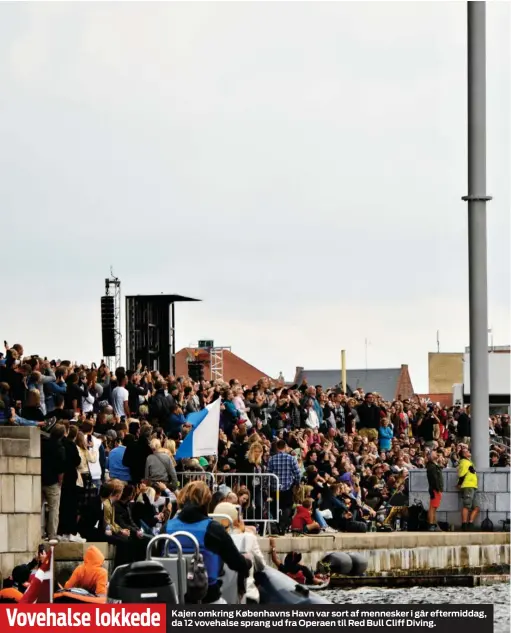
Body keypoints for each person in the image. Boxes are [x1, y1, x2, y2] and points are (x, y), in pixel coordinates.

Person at [165, 481, 251, 604]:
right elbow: (236, 563)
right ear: (207, 501)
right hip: (208, 598)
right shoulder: (213, 529)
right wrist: (247, 562)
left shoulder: (167, 528)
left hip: (174, 599)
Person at [213, 501, 265, 603]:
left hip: (217, 597)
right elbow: (261, 565)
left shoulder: (209, 539)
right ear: (237, 520)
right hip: (246, 595)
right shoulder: (248, 538)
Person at [267, 439, 301, 534]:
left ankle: (277, 526)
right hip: (287, 488)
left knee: (275, 506)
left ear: (277, 448)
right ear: (285, 447)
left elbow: (268, 474)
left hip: (275, 488)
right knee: (287, 506)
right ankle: (282, 525)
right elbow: (298, 474)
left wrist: (267, 487)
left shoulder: (271, 459)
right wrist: (297, 483)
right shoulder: (291, 459)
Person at [41, 424, 67, 541]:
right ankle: (52, 534)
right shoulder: (60, 448)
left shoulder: (43, 443)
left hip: (40, 479)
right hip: (53, 482)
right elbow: (61, 468)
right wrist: (60, 482)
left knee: (38, 508)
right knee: (54, 509)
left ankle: (40, 532)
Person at [457, 447, 479, 531]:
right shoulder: (465, 462)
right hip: (468, 486)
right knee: (466, 506)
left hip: (472, 486)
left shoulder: (468, 462)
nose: (469, 452)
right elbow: (462, 475)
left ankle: (470, 523)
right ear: (464, 454)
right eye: (467, 451)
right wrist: (459, 484)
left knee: (476, 507)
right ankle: (464, 524)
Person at [426, 450, 443, 531]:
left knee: (434, 507)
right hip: (435, 489)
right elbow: (434, 479)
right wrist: (437, 489)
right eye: (434, 453)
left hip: (436, 489)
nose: (436, 453)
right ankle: (431, 524)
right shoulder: (431, 466)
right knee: (432, 507)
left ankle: (433, 523)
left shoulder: (434, 465)